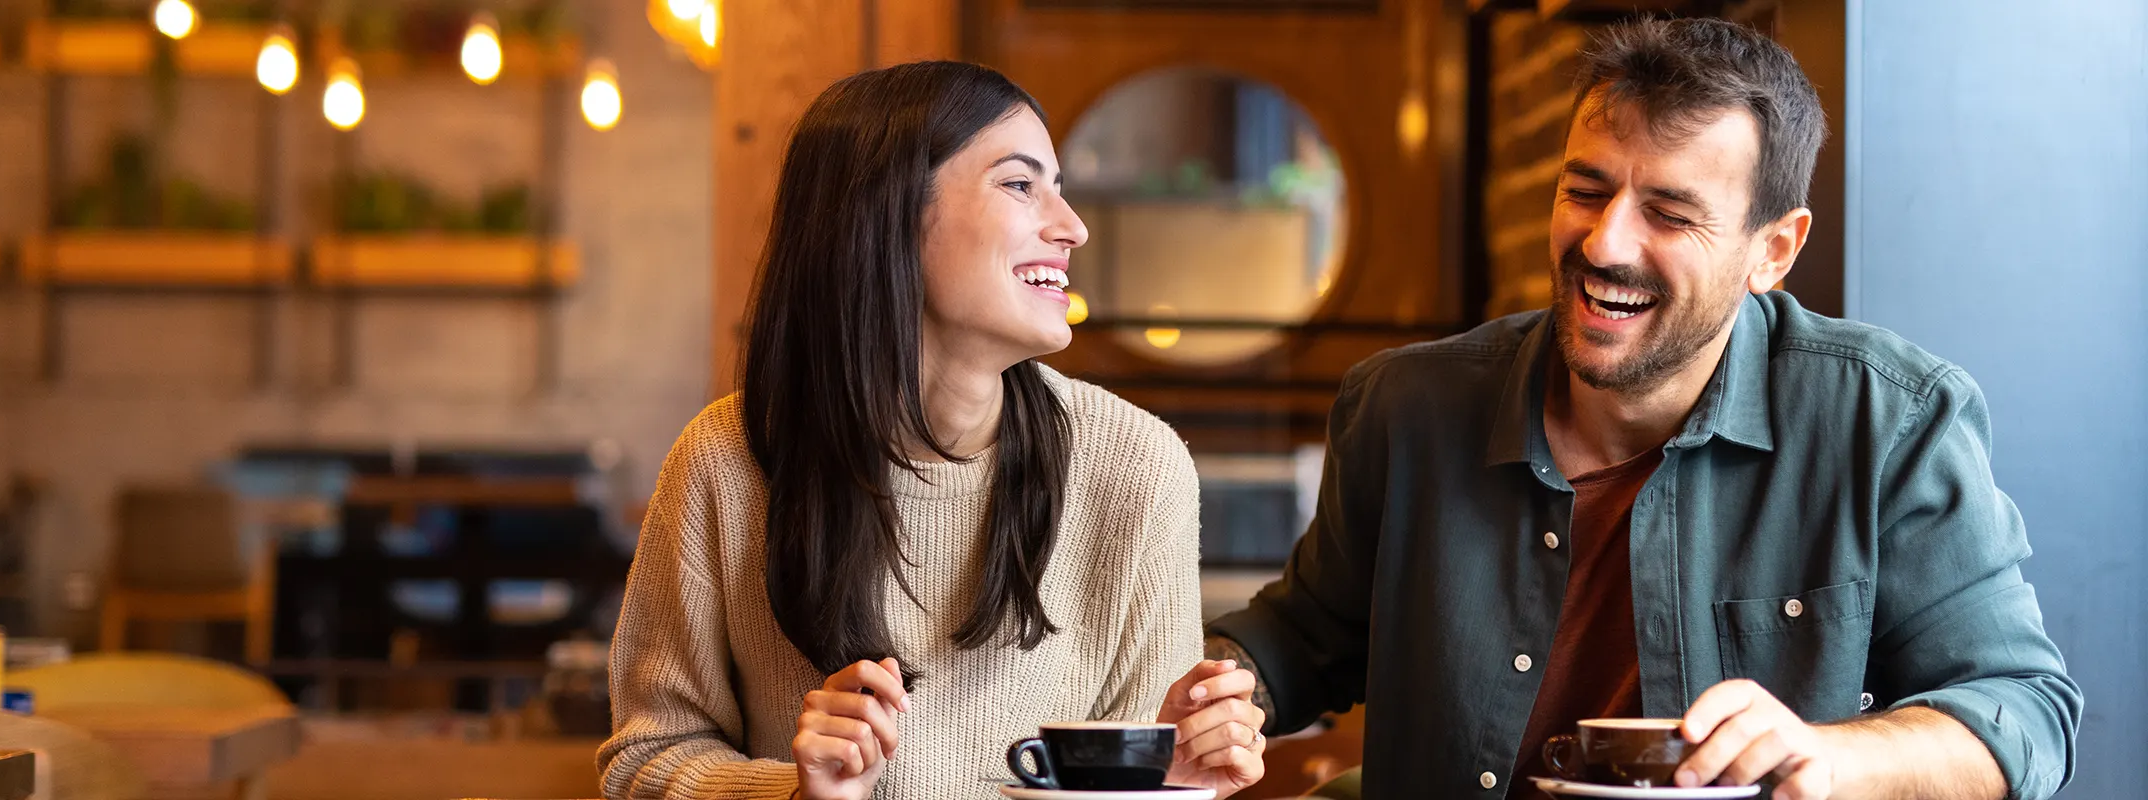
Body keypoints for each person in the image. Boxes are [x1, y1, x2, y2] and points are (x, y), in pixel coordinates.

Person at [1204, 17, 2081, 800]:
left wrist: (1828, 758)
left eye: (1669, 213)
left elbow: (2022, 714)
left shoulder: (1889, 419)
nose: (1605, 241)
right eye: (1585, 191)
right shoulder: (1403, 407)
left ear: (1773, 250)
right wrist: (1228, 689)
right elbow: (1304, 634)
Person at [597, 61, 1268, 800]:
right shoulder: (726, 460)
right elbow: (645, 759)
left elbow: (1136, 787)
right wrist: (796, 794)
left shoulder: (1137, 468)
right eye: (1020, 184)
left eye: (1060, 186)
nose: (1071, 226)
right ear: (887, 213)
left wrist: (1168, 783)